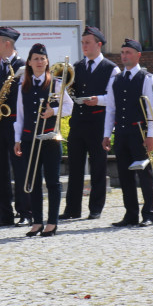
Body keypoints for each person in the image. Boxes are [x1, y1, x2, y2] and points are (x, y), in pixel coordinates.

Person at [14, 43, 73, 237]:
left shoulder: (55, 83)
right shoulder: (23, 84)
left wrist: (53, 111)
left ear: (47, 62)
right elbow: (20, 116)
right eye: (35, 59)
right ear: (29, 63)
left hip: (50, 138)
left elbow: (69, 107)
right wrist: (17, 139)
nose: (39, 62)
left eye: (42, 59)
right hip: (30, 137)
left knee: (53, 181)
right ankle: (37, 221)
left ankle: (52, 222)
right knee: (33, 181)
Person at [62, 26, 117, 220]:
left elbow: (114, 96)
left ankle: (96, 208)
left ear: (98, 44)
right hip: (78, 122)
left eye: (88, 43)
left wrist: (98, 100)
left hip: (98, 123)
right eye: (82, 43)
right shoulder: (77, 67)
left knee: (98, 167)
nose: (84, 46)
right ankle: (72, 209)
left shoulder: (111, 68)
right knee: (74, 167)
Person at [103, 39, 153, 228]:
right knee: (125, 175)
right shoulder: (116, 79)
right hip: (121, 132)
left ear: (138, 55)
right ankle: (131, 213)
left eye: (128, 52)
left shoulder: (146, 78)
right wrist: (106, 134)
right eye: (122, 52)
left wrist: (151, 135)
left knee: (144, 174)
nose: (124, 56)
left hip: (140, 132)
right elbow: (111, 109)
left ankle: (149, 213)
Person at [0, 25, 30, 227]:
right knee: (0, 170)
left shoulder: (22, 66)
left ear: (7, 44)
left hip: (15, 123)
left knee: (20, 169)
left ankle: (25, 211)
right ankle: (4, 213)